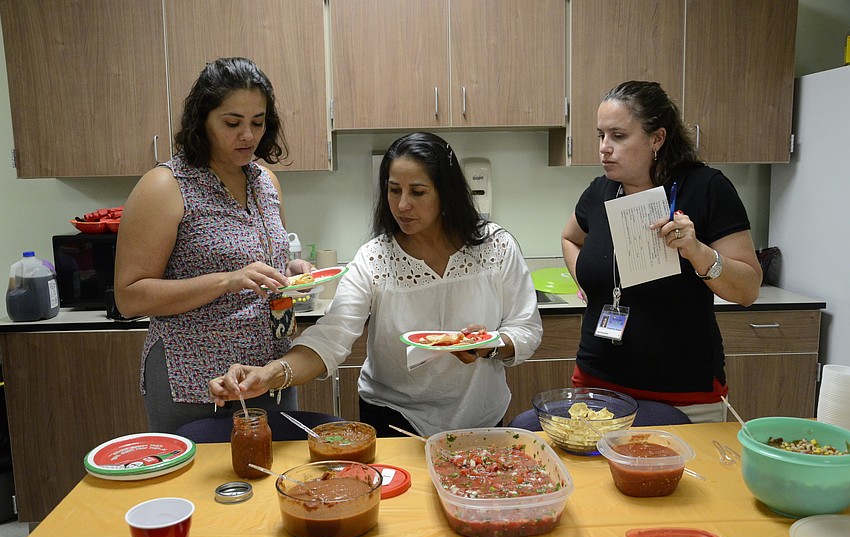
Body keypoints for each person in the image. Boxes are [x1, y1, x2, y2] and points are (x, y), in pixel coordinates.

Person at [210, 132, 543, 436]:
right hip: (394, 418)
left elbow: (526, 327)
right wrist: (269, 374)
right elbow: (330, 337)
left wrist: (491, 345)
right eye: (393, 190)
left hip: (480, 416)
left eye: (418, 192)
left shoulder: (495, 247)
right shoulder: (375, 258)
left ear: (448, 193)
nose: (402, 205)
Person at [115, 57, 313, 433]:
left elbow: (262, 268)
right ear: (203, 121)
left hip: (268, 370)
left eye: (258, 122)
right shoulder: (166, 186)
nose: (248, 136)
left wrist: (290, 273)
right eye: (232, 123)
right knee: (204, 486)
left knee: (272, 481)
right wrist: (227, 280)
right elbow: (130, 296)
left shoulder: (265, 182)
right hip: (193, 380)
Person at [560, 81, 762, 423]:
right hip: (598, 385)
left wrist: (697, 251)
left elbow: (748, 290)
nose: (604, 148)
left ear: (658, 138)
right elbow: (570, 238)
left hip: (683, 393)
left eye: (618, 136)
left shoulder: (706, 189)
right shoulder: (600, 191)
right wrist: (588, 278)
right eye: (601, 136)